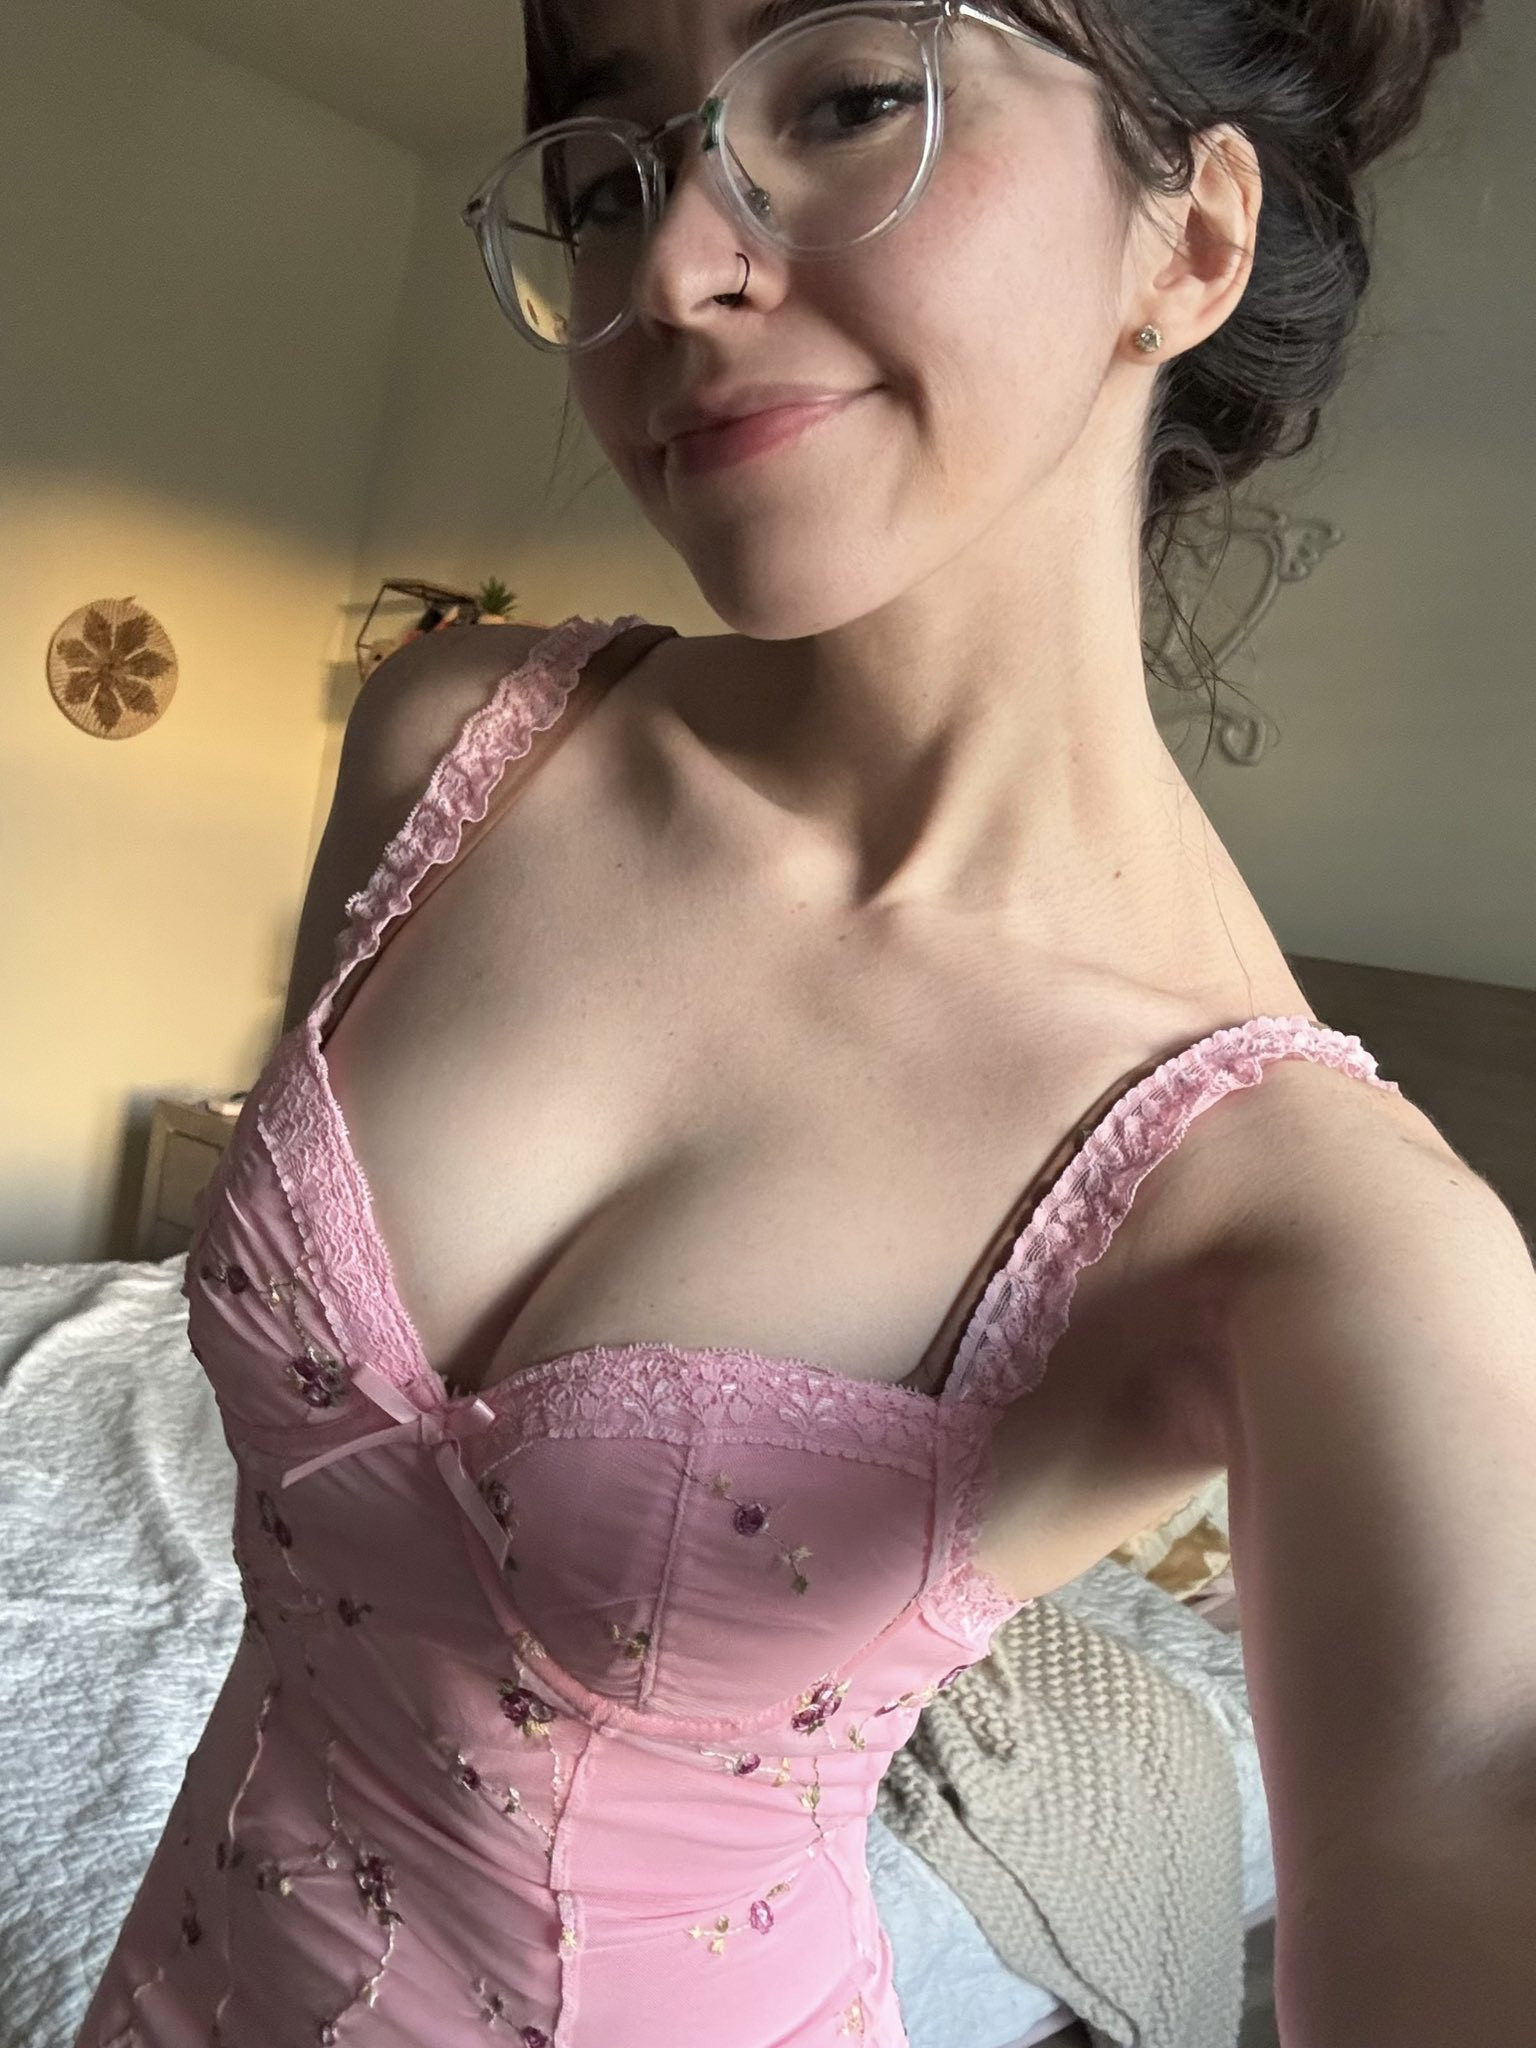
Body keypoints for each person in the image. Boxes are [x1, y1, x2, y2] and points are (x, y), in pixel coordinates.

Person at [80, 3, 1536, 2046]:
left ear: (1193, 239)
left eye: (850, 99)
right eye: (610, 175)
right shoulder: (450, 744)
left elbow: (1456, 1811)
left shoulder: (1310, 1212)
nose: (671, 268)